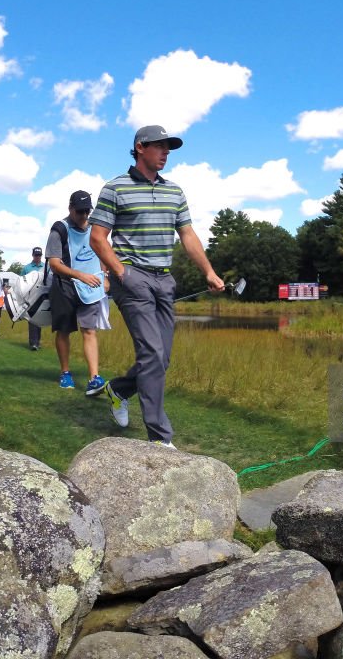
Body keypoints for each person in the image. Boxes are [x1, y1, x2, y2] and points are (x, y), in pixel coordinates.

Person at [89, 125, 224, 447]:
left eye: (168, 148)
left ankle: (118, 390)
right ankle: (160, 437)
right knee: (151, 352)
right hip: (133, 278)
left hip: (165, 280)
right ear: (140, 148)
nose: (165, 153)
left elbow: (187, 235)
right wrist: (122, 273)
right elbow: (97, 238)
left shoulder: (174, 191)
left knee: (161, 359)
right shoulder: (115, 188)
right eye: (160, 147)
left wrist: (208, 271)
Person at [46, 190, 110, 393]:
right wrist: (79, 275)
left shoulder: (94, 229)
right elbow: (55, 264)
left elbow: (103, 253)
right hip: (65, 287)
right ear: (70, 209)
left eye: (86, 212)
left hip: (90, 288)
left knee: (89, 330)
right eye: (79, 211)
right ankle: (65, 373)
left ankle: (94, 378)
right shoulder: (59, 229)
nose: (83, 216)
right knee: (64, 330)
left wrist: (104, 275)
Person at [21, 247, 46, 350]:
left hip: (42, 296)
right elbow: (21, 282)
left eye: (39, 255)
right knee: (31, 319)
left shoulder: (45, 267)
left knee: (39, 320)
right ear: (32, 255)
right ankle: (33, 343)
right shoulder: (26, 268)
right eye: (36, 255)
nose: (37, 257)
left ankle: (37, 341)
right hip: (30, 296)